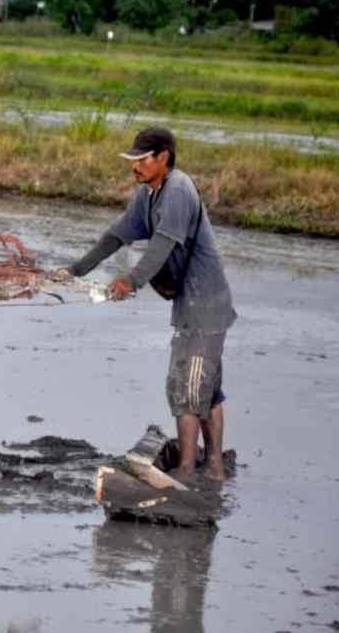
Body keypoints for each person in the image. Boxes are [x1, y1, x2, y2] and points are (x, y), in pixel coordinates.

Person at [57, 127, 235, 480]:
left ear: (163, 158)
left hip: (204, 304)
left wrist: (131, 281)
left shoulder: (178, 191)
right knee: (205, 388)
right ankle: (213, 465)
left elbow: (162, 245)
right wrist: (75, 270)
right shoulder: (148, 194)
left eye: (141, 160)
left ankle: (187, 471)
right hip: (191, 304)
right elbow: (117, 234)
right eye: (133, 160)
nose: (134, 166)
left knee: (186, 388)